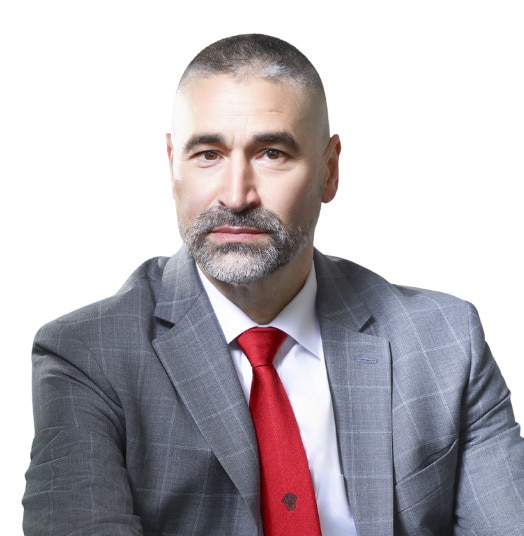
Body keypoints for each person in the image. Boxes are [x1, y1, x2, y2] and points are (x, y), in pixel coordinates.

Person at [23, 33, 524, 536]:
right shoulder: (88, 356)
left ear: (329, 171)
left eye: (272, 153)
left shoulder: (445, 342)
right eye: (208, 154)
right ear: (172, 164)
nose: (236, 196)